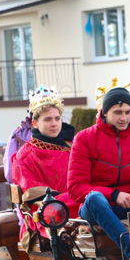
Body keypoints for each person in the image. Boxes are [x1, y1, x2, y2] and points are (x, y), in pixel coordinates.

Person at [68, 84, 130, 260]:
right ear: (104, 112)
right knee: (94, 197)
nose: (124, 118)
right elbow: (76, 188)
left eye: (127, 112)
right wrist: (114, 194)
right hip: (95, 209)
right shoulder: (84, 138)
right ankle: (129, 248)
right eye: (118, 112)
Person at [10, 86, 79, 248]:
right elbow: (34, 194)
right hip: (46, 210)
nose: (54, 124)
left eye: (57, 118)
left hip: (78, 200)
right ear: (35, 123)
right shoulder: (24, 156)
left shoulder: (72, 147)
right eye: (48, 119)